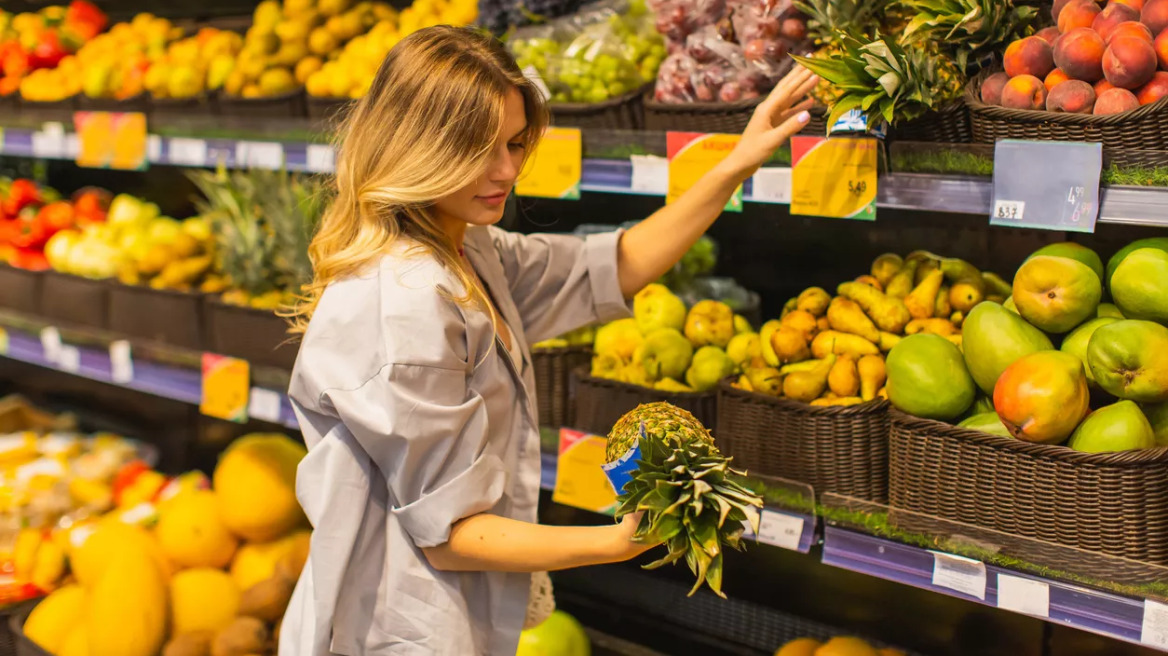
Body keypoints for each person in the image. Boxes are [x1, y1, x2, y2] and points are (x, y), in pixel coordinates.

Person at [280, 24, 817, 656]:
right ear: (418, 149)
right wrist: (615, 542)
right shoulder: (405, 303)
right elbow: (451, 534)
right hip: (400, 629)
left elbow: (612, 266)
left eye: (513, 143)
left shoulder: (462, 245)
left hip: (453, 614)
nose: (507, 171)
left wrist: (737, 161)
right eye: (480, 150)